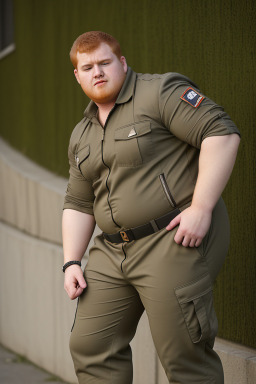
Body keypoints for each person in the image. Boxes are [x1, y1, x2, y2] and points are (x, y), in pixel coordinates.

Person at [62, 31, 240, 384]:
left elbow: (220, 133)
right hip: (111, 252)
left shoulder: (159, 92)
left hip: (170, 240)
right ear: (78, 76)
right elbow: (79, 202)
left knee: (183, 355)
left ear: (122, 63)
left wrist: (202, 208)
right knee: (90, 345)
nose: (97, 72)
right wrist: (70, 261)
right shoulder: (81, 134)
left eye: (104, 63)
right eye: (87, 67)